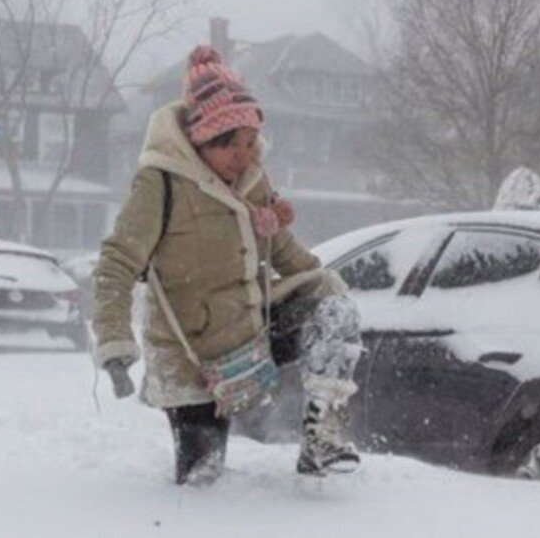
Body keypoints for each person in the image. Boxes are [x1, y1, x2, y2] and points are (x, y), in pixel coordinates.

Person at [91, 45, 365, 486]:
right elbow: (117, 262)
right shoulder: (160, 183)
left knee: (335, 311)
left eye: (250, 142)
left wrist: (331, 291)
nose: (244, 155)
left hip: (252, 332)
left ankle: (323, 437)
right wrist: (114, 341)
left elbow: (284, 251)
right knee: (203, 478)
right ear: (201, 141)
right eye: (230, 145)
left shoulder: (252, 181)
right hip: (191, 356)